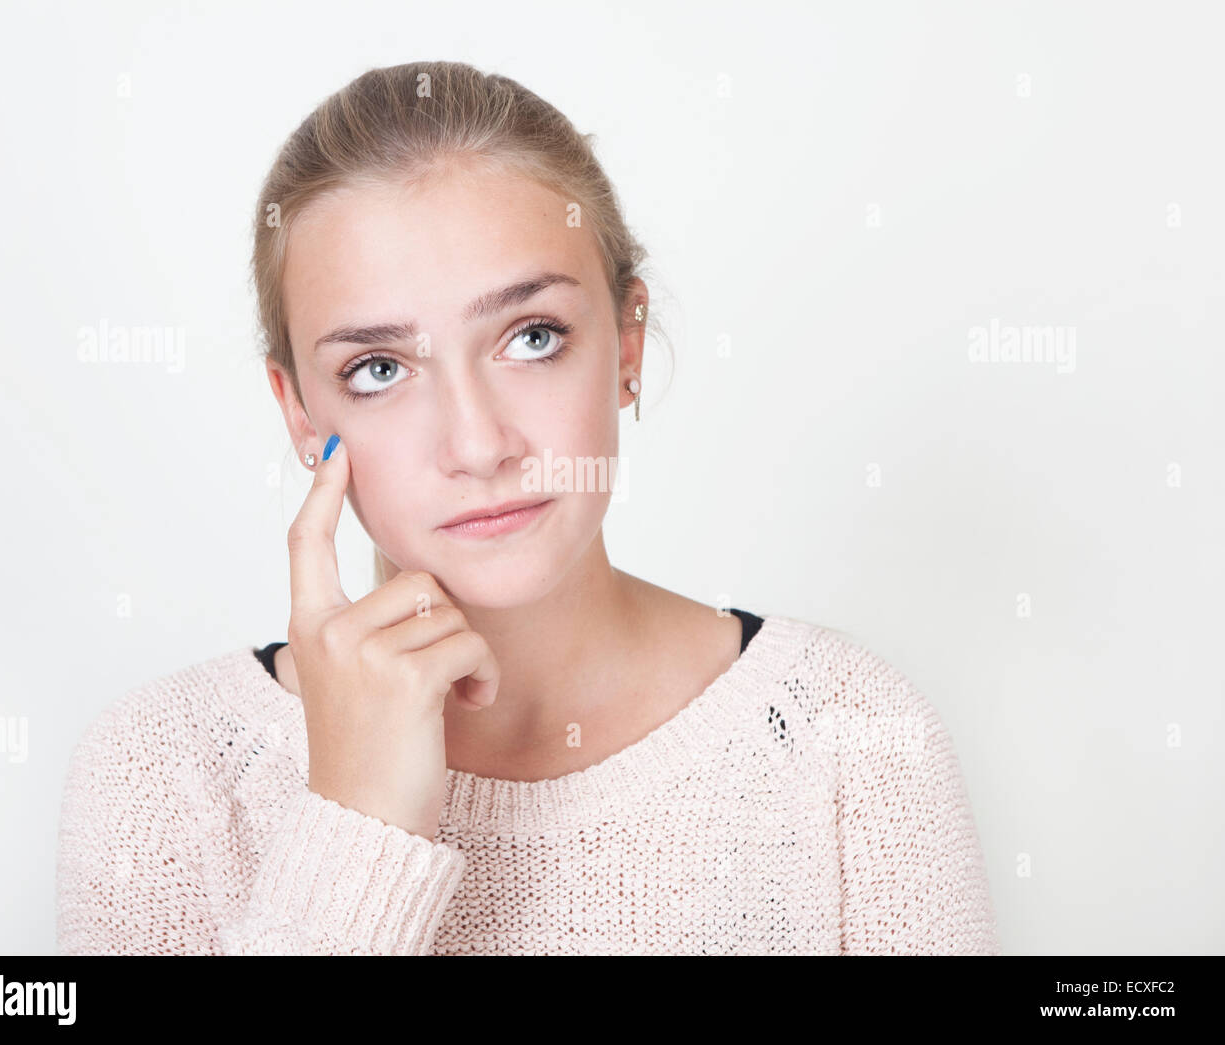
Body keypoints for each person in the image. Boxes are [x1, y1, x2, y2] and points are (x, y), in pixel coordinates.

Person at [55, 60, 1000, 955]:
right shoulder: (164, 774)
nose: (478, 445)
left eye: (532, 336)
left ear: (627, 343)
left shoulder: (847, 740)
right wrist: (354, 827)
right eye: (378, 369)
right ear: (300, 410)